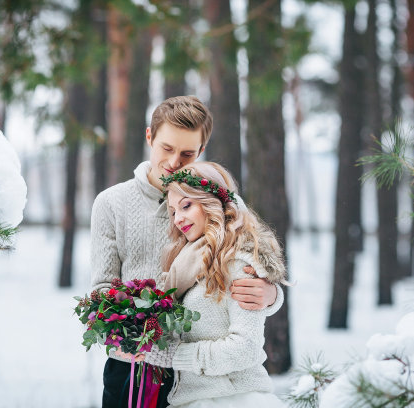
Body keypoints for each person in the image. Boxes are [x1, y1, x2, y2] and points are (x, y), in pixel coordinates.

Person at [89, 96, 284, 407]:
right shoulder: (112, 203)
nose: (174, 162)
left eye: (187, 154)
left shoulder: (219, 199)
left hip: (199, 378)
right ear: (149, 136)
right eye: (166, 148)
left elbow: (247, 267)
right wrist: (127, 330)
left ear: (201, 151)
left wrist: (271, 295)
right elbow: (101, 292)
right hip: (133, 368)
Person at [142, 161, 288, 408]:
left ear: (210, 202)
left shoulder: (238, 263)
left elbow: (245, 349)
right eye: (173, 211)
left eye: (186, 205)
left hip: (232, 399)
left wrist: (175, 355)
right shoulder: (185, 263)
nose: (178, 218)